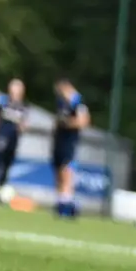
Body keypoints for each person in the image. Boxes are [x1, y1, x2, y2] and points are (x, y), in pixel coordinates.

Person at [0, 76, 30, 200]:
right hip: (1, 136)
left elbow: (24, 124)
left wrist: (23, 127)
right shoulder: (3, 102)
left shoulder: (24, 106)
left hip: (13, 139)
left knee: (6, 165)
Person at [50, 77, 90, 217]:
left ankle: (67, 205)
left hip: (69, 142)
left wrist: (67, 123)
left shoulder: (77, 101)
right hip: (59, 141)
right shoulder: (61, 102)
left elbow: (83, 121)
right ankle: (61, 202)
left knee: (66, 172)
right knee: (58, 173)